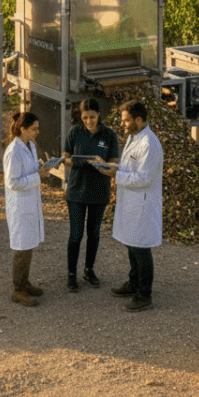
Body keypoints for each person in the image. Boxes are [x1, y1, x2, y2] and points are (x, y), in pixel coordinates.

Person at [97, 100, 163, 312]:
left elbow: (144, 178)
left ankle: (144, 295)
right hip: (131, 202)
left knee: (141, 248)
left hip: (142, 204)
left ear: (139, 119)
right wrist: (112, 167)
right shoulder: (134, 137)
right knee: (132, 244)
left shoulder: (149, 144)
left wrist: (116, 173)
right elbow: (129, 168)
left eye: (126, 120)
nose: (122, 124)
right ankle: (133, 283)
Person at [60, 98, 121, 291]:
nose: (88, 121)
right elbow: (66, 156)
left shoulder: (109, 135)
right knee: (76, 235)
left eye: (92, 117)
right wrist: (68, 162)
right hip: (77, 191)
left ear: (99, 115)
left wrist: (103, 163)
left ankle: (89, 269)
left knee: (93, 233)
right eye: (85, 117)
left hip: (99, 190)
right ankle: (71, 274)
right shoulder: (74, 132)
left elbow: (115, 163)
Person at [3, 111, 55, 306]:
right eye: (34, 129)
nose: (37, 132)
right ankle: (17, 289)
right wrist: (37, 176)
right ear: (23, 129)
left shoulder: (30, 146)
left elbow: (29, 171)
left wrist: (41, 169)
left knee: (29, 244)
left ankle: (25, 282)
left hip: (30, 202)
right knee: (21, 247)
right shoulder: (13, 151)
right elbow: (13, 182)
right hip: (20, 205)